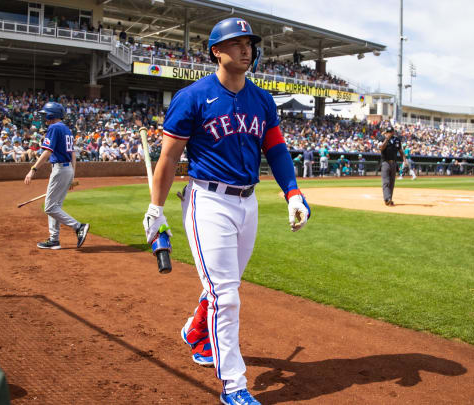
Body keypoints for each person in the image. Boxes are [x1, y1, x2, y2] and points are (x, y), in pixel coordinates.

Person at [142, 17, 310, 405]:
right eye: (236, 43)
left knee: (223, 286)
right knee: (227, 296)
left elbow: (277, 150)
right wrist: (155, 207)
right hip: (209, 201)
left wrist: (293, 193)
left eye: (249, 43)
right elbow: (169, 157)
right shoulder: (193, 97)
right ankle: (234, 385)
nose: (246, 49)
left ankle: (196, 331)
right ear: (216, 51)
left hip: (247, 203)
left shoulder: (262, 99)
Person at [24, 102, 90, 250]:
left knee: (49, 207)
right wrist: (73, 175)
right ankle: (54, 239)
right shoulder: (66, 129)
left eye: (45, 114)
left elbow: (47, 152)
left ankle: (79, 226)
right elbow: (73, 154)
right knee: (55, 205)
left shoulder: (54, 128)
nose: (43, 117)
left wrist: (33, 169)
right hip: (67, 169)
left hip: (60, 169)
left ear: (51, 115)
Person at [378, 126, 406, 206]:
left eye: (391, 132)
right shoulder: (382, 138)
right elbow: (381, 148)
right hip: (385, 162)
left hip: (394, 163)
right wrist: (386, 139)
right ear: (386, 132)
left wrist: (405, 161)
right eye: (388, 132)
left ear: (393, 132)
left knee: (392, 183)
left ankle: (390, 198)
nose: (390, 133)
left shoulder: (397, 140)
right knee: (386, 181)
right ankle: (387, 199)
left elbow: (401, 151)